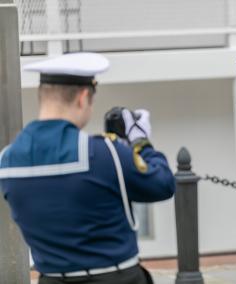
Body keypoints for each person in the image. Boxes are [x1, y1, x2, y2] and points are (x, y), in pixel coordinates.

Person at [0, 53, 176, 284]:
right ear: (83, 98)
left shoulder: (7, 161)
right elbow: (162, 184)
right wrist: (140, 142)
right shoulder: (106, 154)